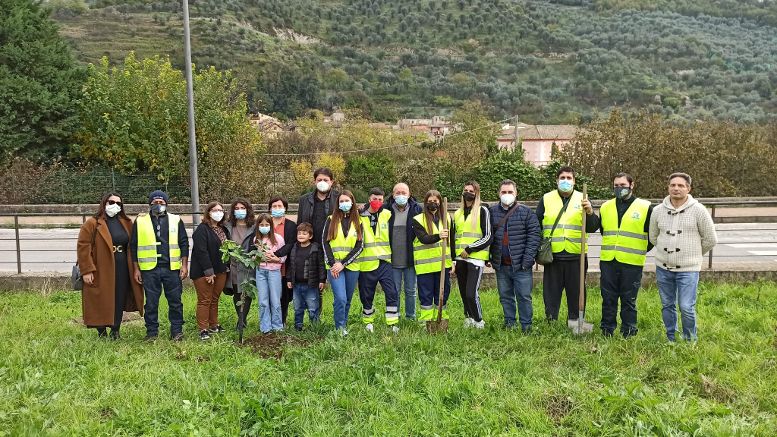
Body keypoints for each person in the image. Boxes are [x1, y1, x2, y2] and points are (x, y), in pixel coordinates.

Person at [649, 172, 717, 342]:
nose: (676, 188)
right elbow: (653, 237)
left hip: (689, 269)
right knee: (667, 305)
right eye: (673, 185)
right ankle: (670, 337)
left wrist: (693, 254)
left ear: (688, 188)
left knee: (686, 306)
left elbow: (710, 239)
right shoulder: (657, 211)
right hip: (663, 268)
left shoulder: (699, 210)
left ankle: (690, 339)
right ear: (668, 187)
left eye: (680, 185)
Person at [536, 166, 600, 325]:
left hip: (576, 255)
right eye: (562, 178)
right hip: (554, 255)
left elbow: (592, 227)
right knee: (551, 292)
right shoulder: (546, 198)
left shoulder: (583, 198)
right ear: (557, 180)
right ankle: (551, 321)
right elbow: (536, 225)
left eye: (569, 178)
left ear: (574, 181)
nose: (565, 181)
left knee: (576, 291)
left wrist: (590, 212)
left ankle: (575, 320)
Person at [76, 192, 144, 339]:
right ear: (104, 203)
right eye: (111, 202)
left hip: (122, 266)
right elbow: (83, 247)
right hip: (101, 266)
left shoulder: (126, 222)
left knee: (119, 297)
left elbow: (133, 245)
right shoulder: (92, 223)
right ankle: (101, 330)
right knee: (101, 298)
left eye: (119, 203)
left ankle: (115, 329)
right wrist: (87, 270)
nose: (115, 206)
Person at [599, 173, 654, 338]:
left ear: (632, 185)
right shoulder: (605, 206)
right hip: (609, 260)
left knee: (628, 300)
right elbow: (604, 231)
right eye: (616, 185)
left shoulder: (645, 207)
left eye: (622, 185)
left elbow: (652, 236)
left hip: (632, 262)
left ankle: (629, 331)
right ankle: (607, 330)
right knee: (608, 298)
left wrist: (639, 248)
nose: (619, 188)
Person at [130, 190, 189, 341]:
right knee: (151, 303)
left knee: (175, 301)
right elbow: (134, 246)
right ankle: (151, 332)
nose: (158, 205)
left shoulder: (176, 220)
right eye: (155, 202)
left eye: (161, 202)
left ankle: (176, 331)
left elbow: (184, 243)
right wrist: (136, 269)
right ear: (150, 204)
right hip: (149, 269)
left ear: (166, 204)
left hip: (172, 268)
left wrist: (184, 265)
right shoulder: (140, 221)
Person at [489, 180, 541, 331]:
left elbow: (534, 236)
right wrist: (490, 258)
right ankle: (510, 323)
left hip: (521, 265)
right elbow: (488, 236)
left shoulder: (526, 212)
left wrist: (527, 260)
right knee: (505, 297)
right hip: (501, 265)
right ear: (499, 194)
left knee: (524, 297)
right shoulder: (492, 213)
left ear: (516, 193)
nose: (507, 195)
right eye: (504, 192)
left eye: (510, 192)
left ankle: (526, 326)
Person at [358, 188, 400, 333]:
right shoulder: (359, 216)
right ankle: (368, 322)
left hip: (384, 261)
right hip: (366, 262)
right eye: (375, 199)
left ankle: (393, 322)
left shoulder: (388, 215)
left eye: (381, 199)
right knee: (366, 294)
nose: (378, 202)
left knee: (391, 292)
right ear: (369, 199)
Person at [322, 190, 364, 336]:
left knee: (348, 299)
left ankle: (343, 324)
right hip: (334, 267)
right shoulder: (330, 219)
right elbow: (325, 243)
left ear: (352, 202)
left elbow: (360, 246)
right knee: (340, 298)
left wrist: (343, 263)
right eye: (341, 201)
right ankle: (339, 328)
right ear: (338, 204)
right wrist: (334, 263)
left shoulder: (359, 221)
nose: (344, 203)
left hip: (351, 266)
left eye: (347, 201)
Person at [452, 181, 492, 329]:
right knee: (463, 292)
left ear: (476, 194)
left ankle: (478, 320)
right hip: (459, 258)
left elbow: (488, 236)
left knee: (471, 293)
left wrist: (470, 249)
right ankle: (468, 317)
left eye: (471, 190)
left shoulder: (483, 211)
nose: (468, 192)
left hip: (475, 258)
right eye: (466, 190)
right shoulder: (457, 213)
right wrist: (453, 259)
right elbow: (454, 237)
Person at [412, 190, 456, 323]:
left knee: (443, 294)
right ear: (425, 203)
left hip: (443, 265)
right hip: (425, 267)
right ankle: (426, 321)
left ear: (440, 202)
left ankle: (441, 319)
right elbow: (423, 238)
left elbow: (452, 241)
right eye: (430, 201)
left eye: (436, 201)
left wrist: (453, 261)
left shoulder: (447, 218)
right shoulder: (418, 219)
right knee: (426, 296)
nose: (433, 203)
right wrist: (438, 236)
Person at [190, 201, 230, 341]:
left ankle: (214, 325)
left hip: (220, 270)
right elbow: (201, 252)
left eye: (220, 210)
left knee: (214, 299)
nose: (218, 212)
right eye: (214, 210)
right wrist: (209, 271)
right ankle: (203, 329)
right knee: (204, 300)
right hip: (204, 272)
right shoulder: (202, 229)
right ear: (208, 212)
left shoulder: (223, 229)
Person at [384, 182, 423, 320]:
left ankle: (410, 317)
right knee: (394, 291)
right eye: (397, 193)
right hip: (392, 260)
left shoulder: (417, 210)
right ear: (393, 195)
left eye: (404, 193)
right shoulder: (386, 210)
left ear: (409, 194)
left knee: (411, 291)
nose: (401, 195)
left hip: (410, 259)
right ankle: (395, 316)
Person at [224, 198, 256, 331]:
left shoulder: (254, 226)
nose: (239, 211)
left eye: (242, 208)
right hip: (233, 264)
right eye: (236, 209)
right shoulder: (228, 226)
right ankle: (240, 319)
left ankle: (242, 320)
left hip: (248, 265)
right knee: (237, 293)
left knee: (246, 293)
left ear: (247, 210)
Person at [286, 222, 325, 330]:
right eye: (299, 233)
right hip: (296, 284)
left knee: (313, 307)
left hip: (311, 285)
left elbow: (321, 265)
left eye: (304, 233)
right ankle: (298, 327)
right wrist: (289, 279)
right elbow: (290, 264)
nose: (301, 235)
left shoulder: (315, 248)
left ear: (310, 236)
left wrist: (322, 279)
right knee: (298, 308)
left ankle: (315, 327)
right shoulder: (294, 248)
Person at [252, 214, 287, 334]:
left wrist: (276, 259)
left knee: (275, 300)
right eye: (261, 225)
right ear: (258, 226)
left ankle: (277, 326)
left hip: (274, 272)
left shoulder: (278, 239)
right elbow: (254, 257)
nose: (264, 227)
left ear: (271, 226)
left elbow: (283, 256)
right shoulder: (256, 240)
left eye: (267, 225)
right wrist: (256, 257)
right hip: (260, 272)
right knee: (263, 300)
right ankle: (265, 327)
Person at [268, 196, 297, 327]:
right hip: (266, 265)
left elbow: (290, 244)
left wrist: (276, 255)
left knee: (284, 296)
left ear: (285, 208)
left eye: (280, 206)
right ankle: (269, 320)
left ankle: (282, 320)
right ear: (270, 208)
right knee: (269, 295)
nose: (277, 209)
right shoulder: (264, 224)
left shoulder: (291, 226)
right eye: (274, 206)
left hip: (284, 266)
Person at [298, 167, 340, 244]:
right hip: (310, 244)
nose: (322, 182)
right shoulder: (304, 199)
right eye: (319, 180)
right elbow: (300, 223)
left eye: (325, 180)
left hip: (332, 243)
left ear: (331, 182)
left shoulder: (339, 198)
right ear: (315, 182)